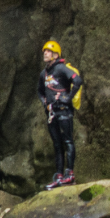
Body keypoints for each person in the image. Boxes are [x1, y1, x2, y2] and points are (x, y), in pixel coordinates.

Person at [39, 40, 83, 190]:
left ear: (56, 54)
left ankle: (69, 174)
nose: (45, 53)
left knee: (68, 141)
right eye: (44, 51)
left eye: (48, 51)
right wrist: (45, 103)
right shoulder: (43, 74)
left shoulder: (62, 69)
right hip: (52, 113)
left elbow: (77, 80)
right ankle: (58, 175)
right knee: (57, 145)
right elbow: (40, 91)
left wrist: (68, 98)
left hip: (64, 111)